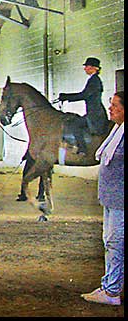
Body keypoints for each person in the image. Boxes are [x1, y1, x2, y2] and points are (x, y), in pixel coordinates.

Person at [81, 91, 124, 306]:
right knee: (110, 242)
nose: (111, 109)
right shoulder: (116, 131)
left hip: (120, 200)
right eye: (111, 104)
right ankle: (109, 285)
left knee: (115, 242)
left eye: (116, 106)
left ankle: (112, 290)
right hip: (110, 198)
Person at [58, 57, 110, 154]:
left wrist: (66, 97)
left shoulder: (95, 80)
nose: (85, 68)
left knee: (74, 124)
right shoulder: (93, 79)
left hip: (95, 115)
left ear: (95, 68)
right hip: (93, 113)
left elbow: (84, 95)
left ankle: (82, 149)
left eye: (87, 66)